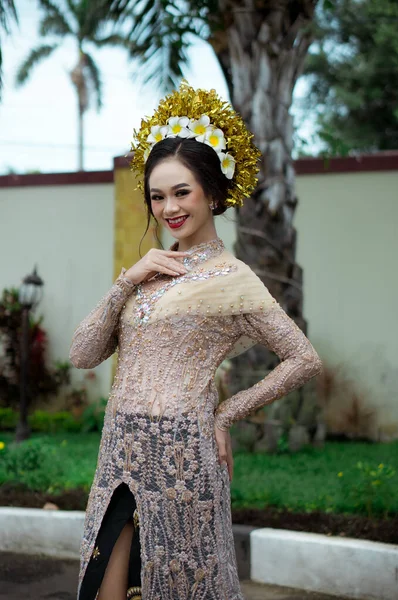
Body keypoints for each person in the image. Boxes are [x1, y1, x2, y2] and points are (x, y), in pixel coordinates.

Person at [70, 82, 322, 600]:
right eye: (157, 196)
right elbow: (82, 354)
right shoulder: (149, 272)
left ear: (211, 190)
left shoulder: (234, 279)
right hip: (118, 449)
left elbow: (303, 358)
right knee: (104, 590)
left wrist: (226, 413)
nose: (168, 208)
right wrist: (127, 280)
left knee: (178, 588)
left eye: (182, 192)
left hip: (183, 455)